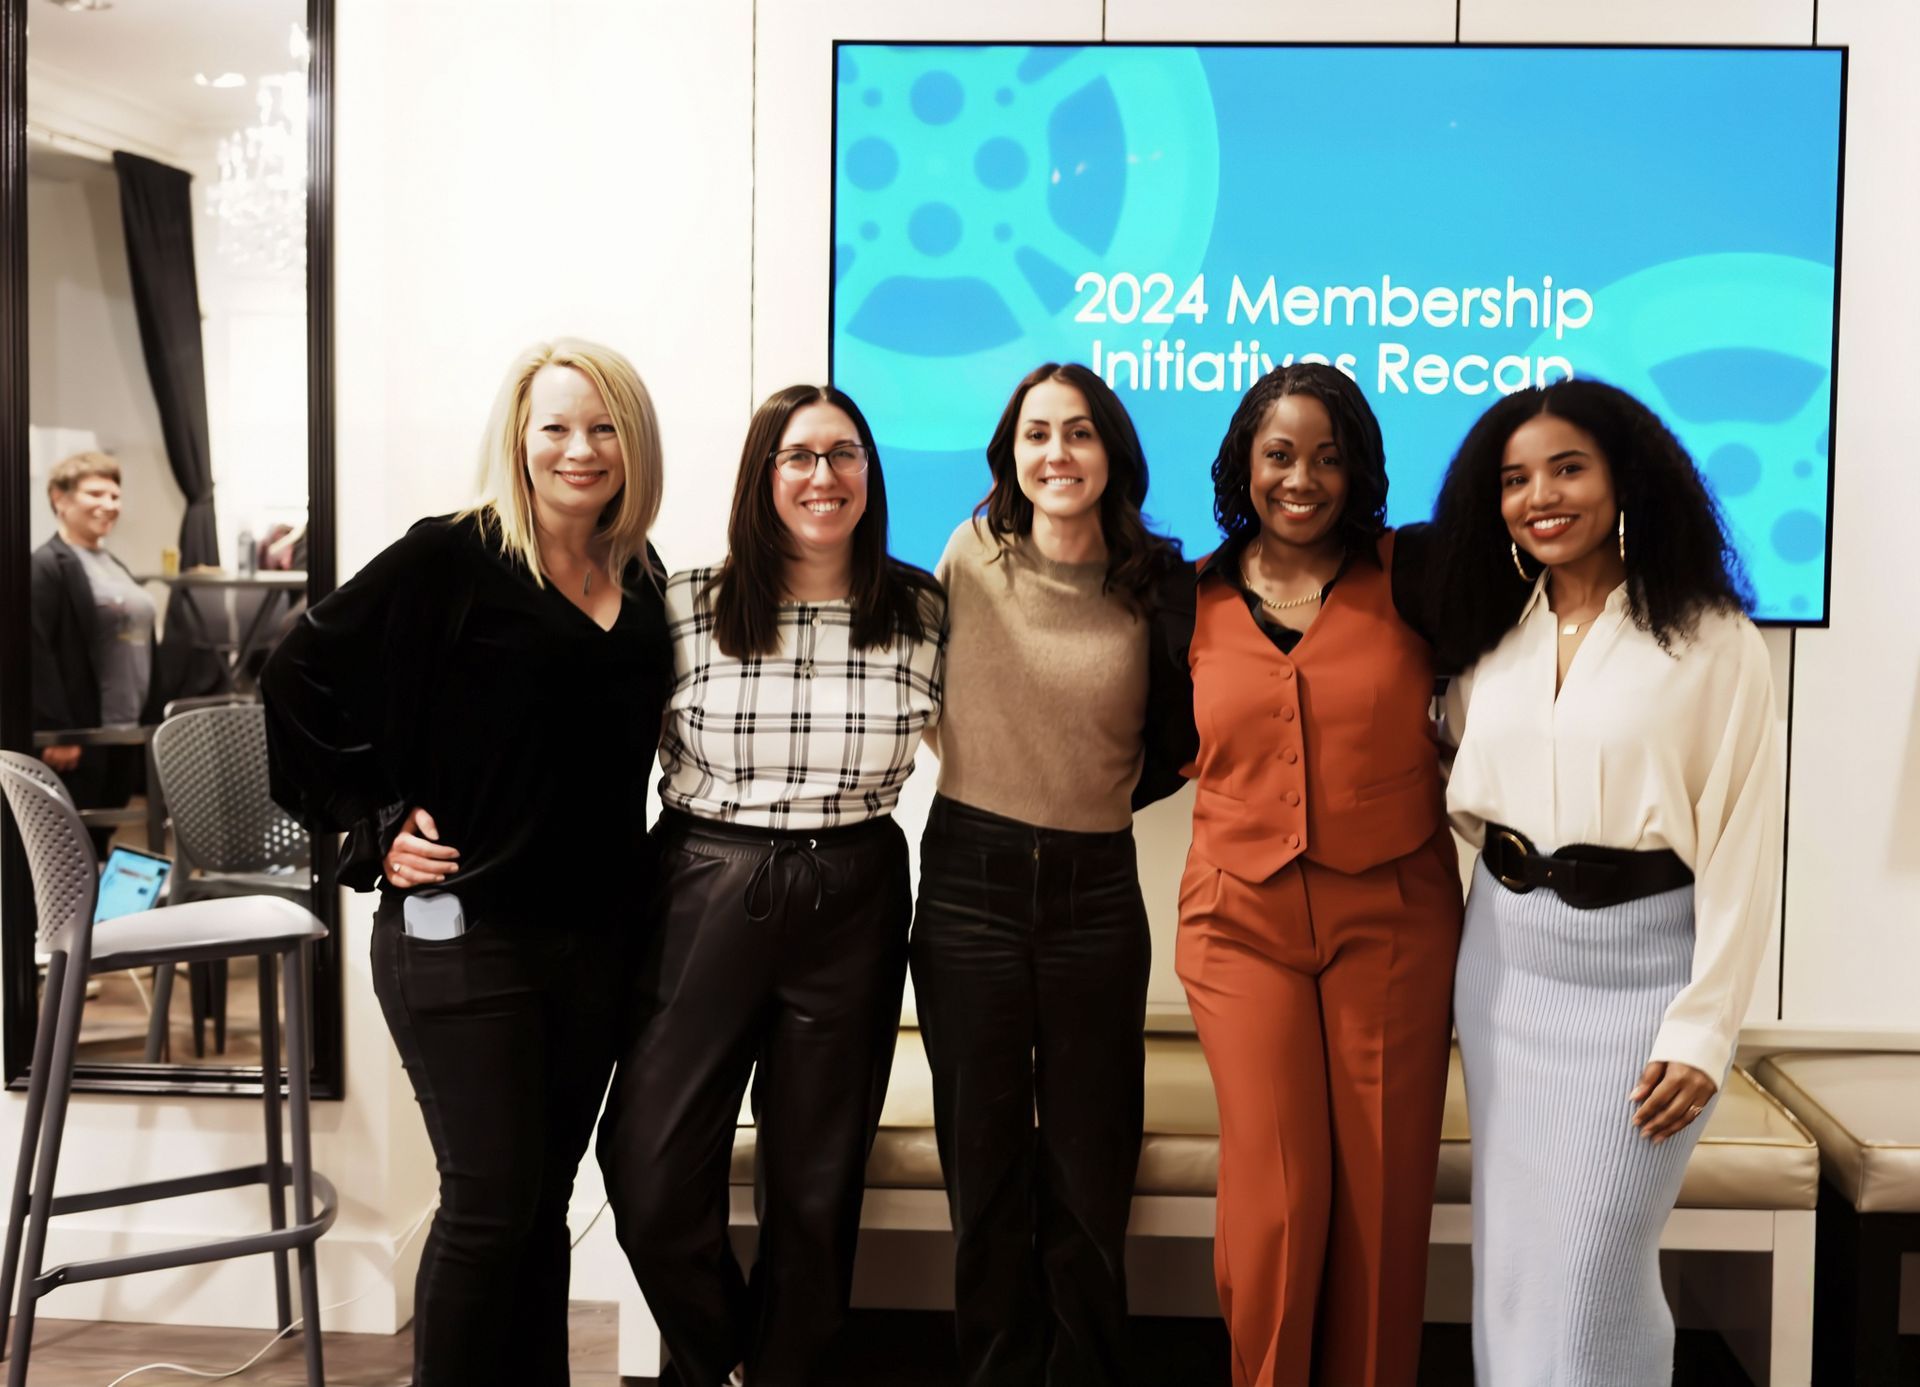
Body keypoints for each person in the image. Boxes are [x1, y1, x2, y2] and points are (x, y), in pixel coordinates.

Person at [261, 339, 670, 1386]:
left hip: (594, 942)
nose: (581, 449)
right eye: (557, 427)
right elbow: (298, 673)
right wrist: (367, 822)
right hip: (462, 933)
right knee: (489, 1204)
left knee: (541, 1206)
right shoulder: (452, 556)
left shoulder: (642, 571)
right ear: (519, 439)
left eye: (603, 425)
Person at [1429, 378, 1783, 1386]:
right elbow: (1464, 785)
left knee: (1592, 1272)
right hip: (1505, 968)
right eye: (1514, 478)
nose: (1540, 494)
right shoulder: (1493, 633)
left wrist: (1704, 1030)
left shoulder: (1713, 640)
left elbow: (1746, 849)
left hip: (1644, 984)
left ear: (1625, 476)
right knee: (1515, 1271)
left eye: (1567, 468)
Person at [597, 384, 945, 1387]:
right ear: (763, 475)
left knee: (817, 1186)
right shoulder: (683, 604)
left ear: (870, 476)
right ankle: (721, 1360)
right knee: (649, 1172)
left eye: (845, 454)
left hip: (856, 893)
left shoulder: (921, 609)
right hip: (706, 880)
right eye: (798, 455)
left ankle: (789, 1370)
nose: (823, 475)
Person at [1176, 363, 1461, 1387]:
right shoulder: (1186, 594)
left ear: (1361, 471)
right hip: (1238, 919)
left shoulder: (1417, 575)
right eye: (1281, 454)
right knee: (1278, 1197)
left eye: (1330, 457)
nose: (1304, 478)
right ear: (1244, 465)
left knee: (1383, 1196)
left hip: (1395, 915)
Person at [912, 362, 1192, 1387]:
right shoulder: (970, 551)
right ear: (1010, 452)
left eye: (1078, 434)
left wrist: (1096, 791)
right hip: (967, 886)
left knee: (1088, 1173)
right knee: (983, 1174)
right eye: (1037, 434)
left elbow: (1176, 739)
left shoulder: (1160, 579)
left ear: (1111, 450)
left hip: (1094, 894)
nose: (1056, 455)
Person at [29, 452, 159, 840]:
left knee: (103, 843)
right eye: (96, 493)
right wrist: (59, 733)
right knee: (69, 849)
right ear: (60, 498)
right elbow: (34, 652)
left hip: (126, 730)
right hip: (81, 741)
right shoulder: (45, 565)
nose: (109, 505)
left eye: (115, 496)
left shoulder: (112, 563)